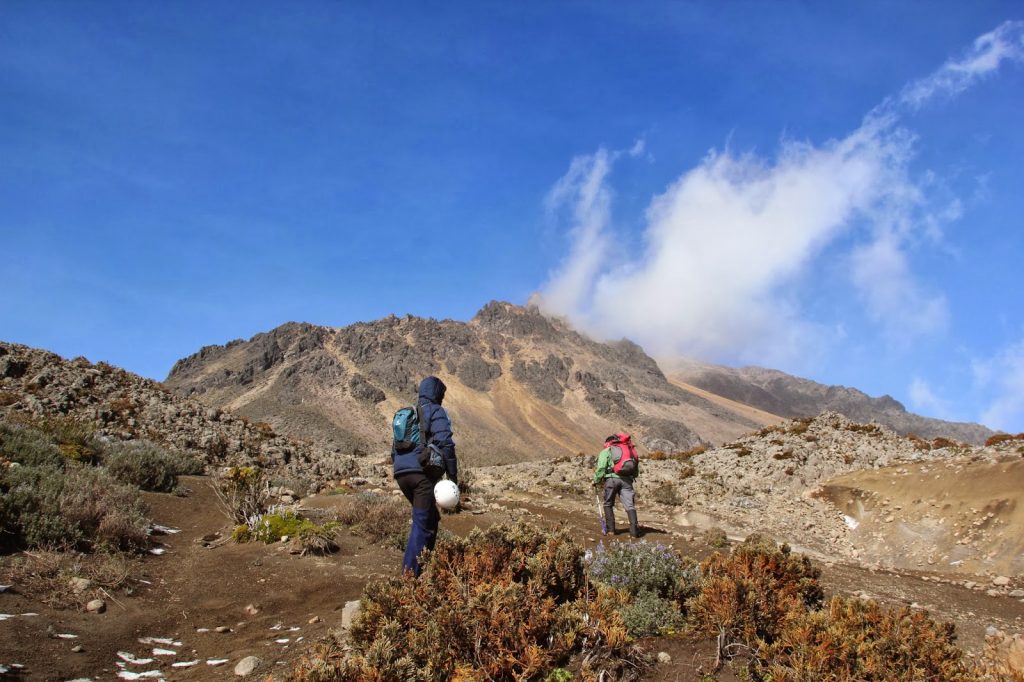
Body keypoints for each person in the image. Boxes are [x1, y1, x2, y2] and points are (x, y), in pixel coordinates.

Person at [392, 375, 458, 576]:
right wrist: (453, 477)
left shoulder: (409, 414)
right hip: (422, 477)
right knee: (422, 524)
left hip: (402, 474)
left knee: (430, 519)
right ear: (437, 393)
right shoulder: (435, 411)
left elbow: (394, 450)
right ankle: (409, 578)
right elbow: (445, 442)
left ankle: (425, 567)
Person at [592, 433, 640, 538]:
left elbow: (601, 468)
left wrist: (596, 480)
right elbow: (636, 470)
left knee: (608, 504)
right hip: (627, 481)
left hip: (612, 480)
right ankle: (634, 532)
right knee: (630, 506)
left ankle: (611, 530)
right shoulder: (630, 451)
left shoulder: (607, 451)